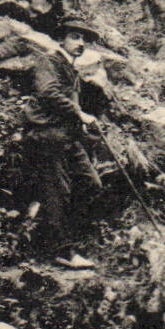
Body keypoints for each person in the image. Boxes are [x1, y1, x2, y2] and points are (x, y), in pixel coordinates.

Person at [24, 17, 109, 269]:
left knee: (91, 184)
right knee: (58, 192)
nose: (80, 43)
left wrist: (84, 128)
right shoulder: (48, 61)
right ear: (61, 39)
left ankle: (48, 225)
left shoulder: (71, 70)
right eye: (74, 36)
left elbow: (71, 107)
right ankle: (61, 251)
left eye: (84, 39)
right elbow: (48, 93)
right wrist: (80, 114)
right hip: (47, 136)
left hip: (68, 138)